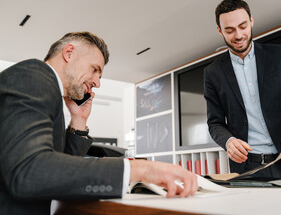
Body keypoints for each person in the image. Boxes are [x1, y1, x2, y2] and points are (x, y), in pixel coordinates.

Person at [0, 32, 198, 215]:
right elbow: (30, 172)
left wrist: (79, 120)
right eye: (94, 70)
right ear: (69, 53)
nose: (97, 83)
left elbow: (58, 176)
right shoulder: (33, 78)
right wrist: (141, 170)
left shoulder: (47, 88)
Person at [204, 0, 281, 181]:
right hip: (247, 168)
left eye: (243, 26)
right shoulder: (212, 73)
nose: (238, 35)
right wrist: (228, 141)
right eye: (229, 30)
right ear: (219, 30)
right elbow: (215, 123)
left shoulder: (280, 56)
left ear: (251, 21)